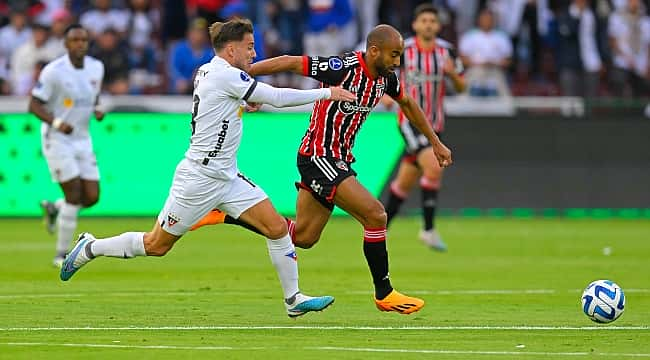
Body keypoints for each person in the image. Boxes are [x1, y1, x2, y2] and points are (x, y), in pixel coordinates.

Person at [59, 18, 356, 318]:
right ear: (230, 50)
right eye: (249, 48)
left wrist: (243, 103)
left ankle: (293, 299)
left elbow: (229, 102)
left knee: (278, 228)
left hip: (227, 176)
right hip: (198, 179)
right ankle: (91, 247)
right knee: (156, 245)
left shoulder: (211, 70)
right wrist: (327, 93)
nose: (254, 54)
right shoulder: (225, 75)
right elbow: (276, 98)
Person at [193, 24, 453, 315]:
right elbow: (292, 62)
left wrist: (435, 141)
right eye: (393, 55)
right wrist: (244, 77)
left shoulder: (386, 80)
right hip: (319, 156)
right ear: (375, 50)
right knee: (376, 214)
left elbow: (408, 104)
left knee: (304, 237)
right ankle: (385, 293)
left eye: (400, 55)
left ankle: (225, 214)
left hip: (336, 158)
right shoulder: (342, 67)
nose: (397, 62)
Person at [382, 4, 466, 251]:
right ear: (416, 25)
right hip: (409, 121)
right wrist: (386, 95)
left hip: (435, 124)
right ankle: (428, 230)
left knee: (404, 182)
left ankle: (380, 228)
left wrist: (453, 76)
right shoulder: (404, 50)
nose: (428, 24)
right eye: (424, 20)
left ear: (438, 26)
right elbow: (382, 73)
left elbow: (463, 88)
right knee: (433, 165)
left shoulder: (447, 52)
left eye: (432, 21)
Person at [28, 24, 105, 268]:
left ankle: (54, 208)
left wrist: (97, 109)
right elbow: (34, 105)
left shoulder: (96, 67)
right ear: (66, 44)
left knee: (91, 197)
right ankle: (61, 255)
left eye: (84, 40)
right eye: (75, 40)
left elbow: (93, 97)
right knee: (73, 193)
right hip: (57, 138)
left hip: (83, 138)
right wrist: (57, 122)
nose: (80, 44)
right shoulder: (54, 72)